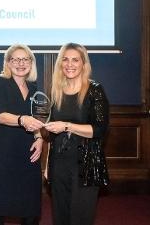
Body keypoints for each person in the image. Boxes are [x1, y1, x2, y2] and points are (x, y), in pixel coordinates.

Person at [44, 43, 109, 225]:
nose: (69, 64)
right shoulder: (57, 91)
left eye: (75, 60)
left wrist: (67, 126)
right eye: (65, 59)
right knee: (61, 216)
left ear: (83, 64)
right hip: (59, 164)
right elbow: (51, 131)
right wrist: (49, 164)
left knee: (80, 218)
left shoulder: (94, 90)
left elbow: (99, 130)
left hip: (85, 165)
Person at [0, 44, 45, 225]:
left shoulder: (34, 88)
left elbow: (37, 119)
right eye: (15, 59)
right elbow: (0, 115)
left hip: (28, 154)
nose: (21, 63)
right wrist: (22, 120)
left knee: (30, 207)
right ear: (8, 63)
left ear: (31, 63)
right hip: (3, 155)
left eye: (25, 59)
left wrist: (39, 137)